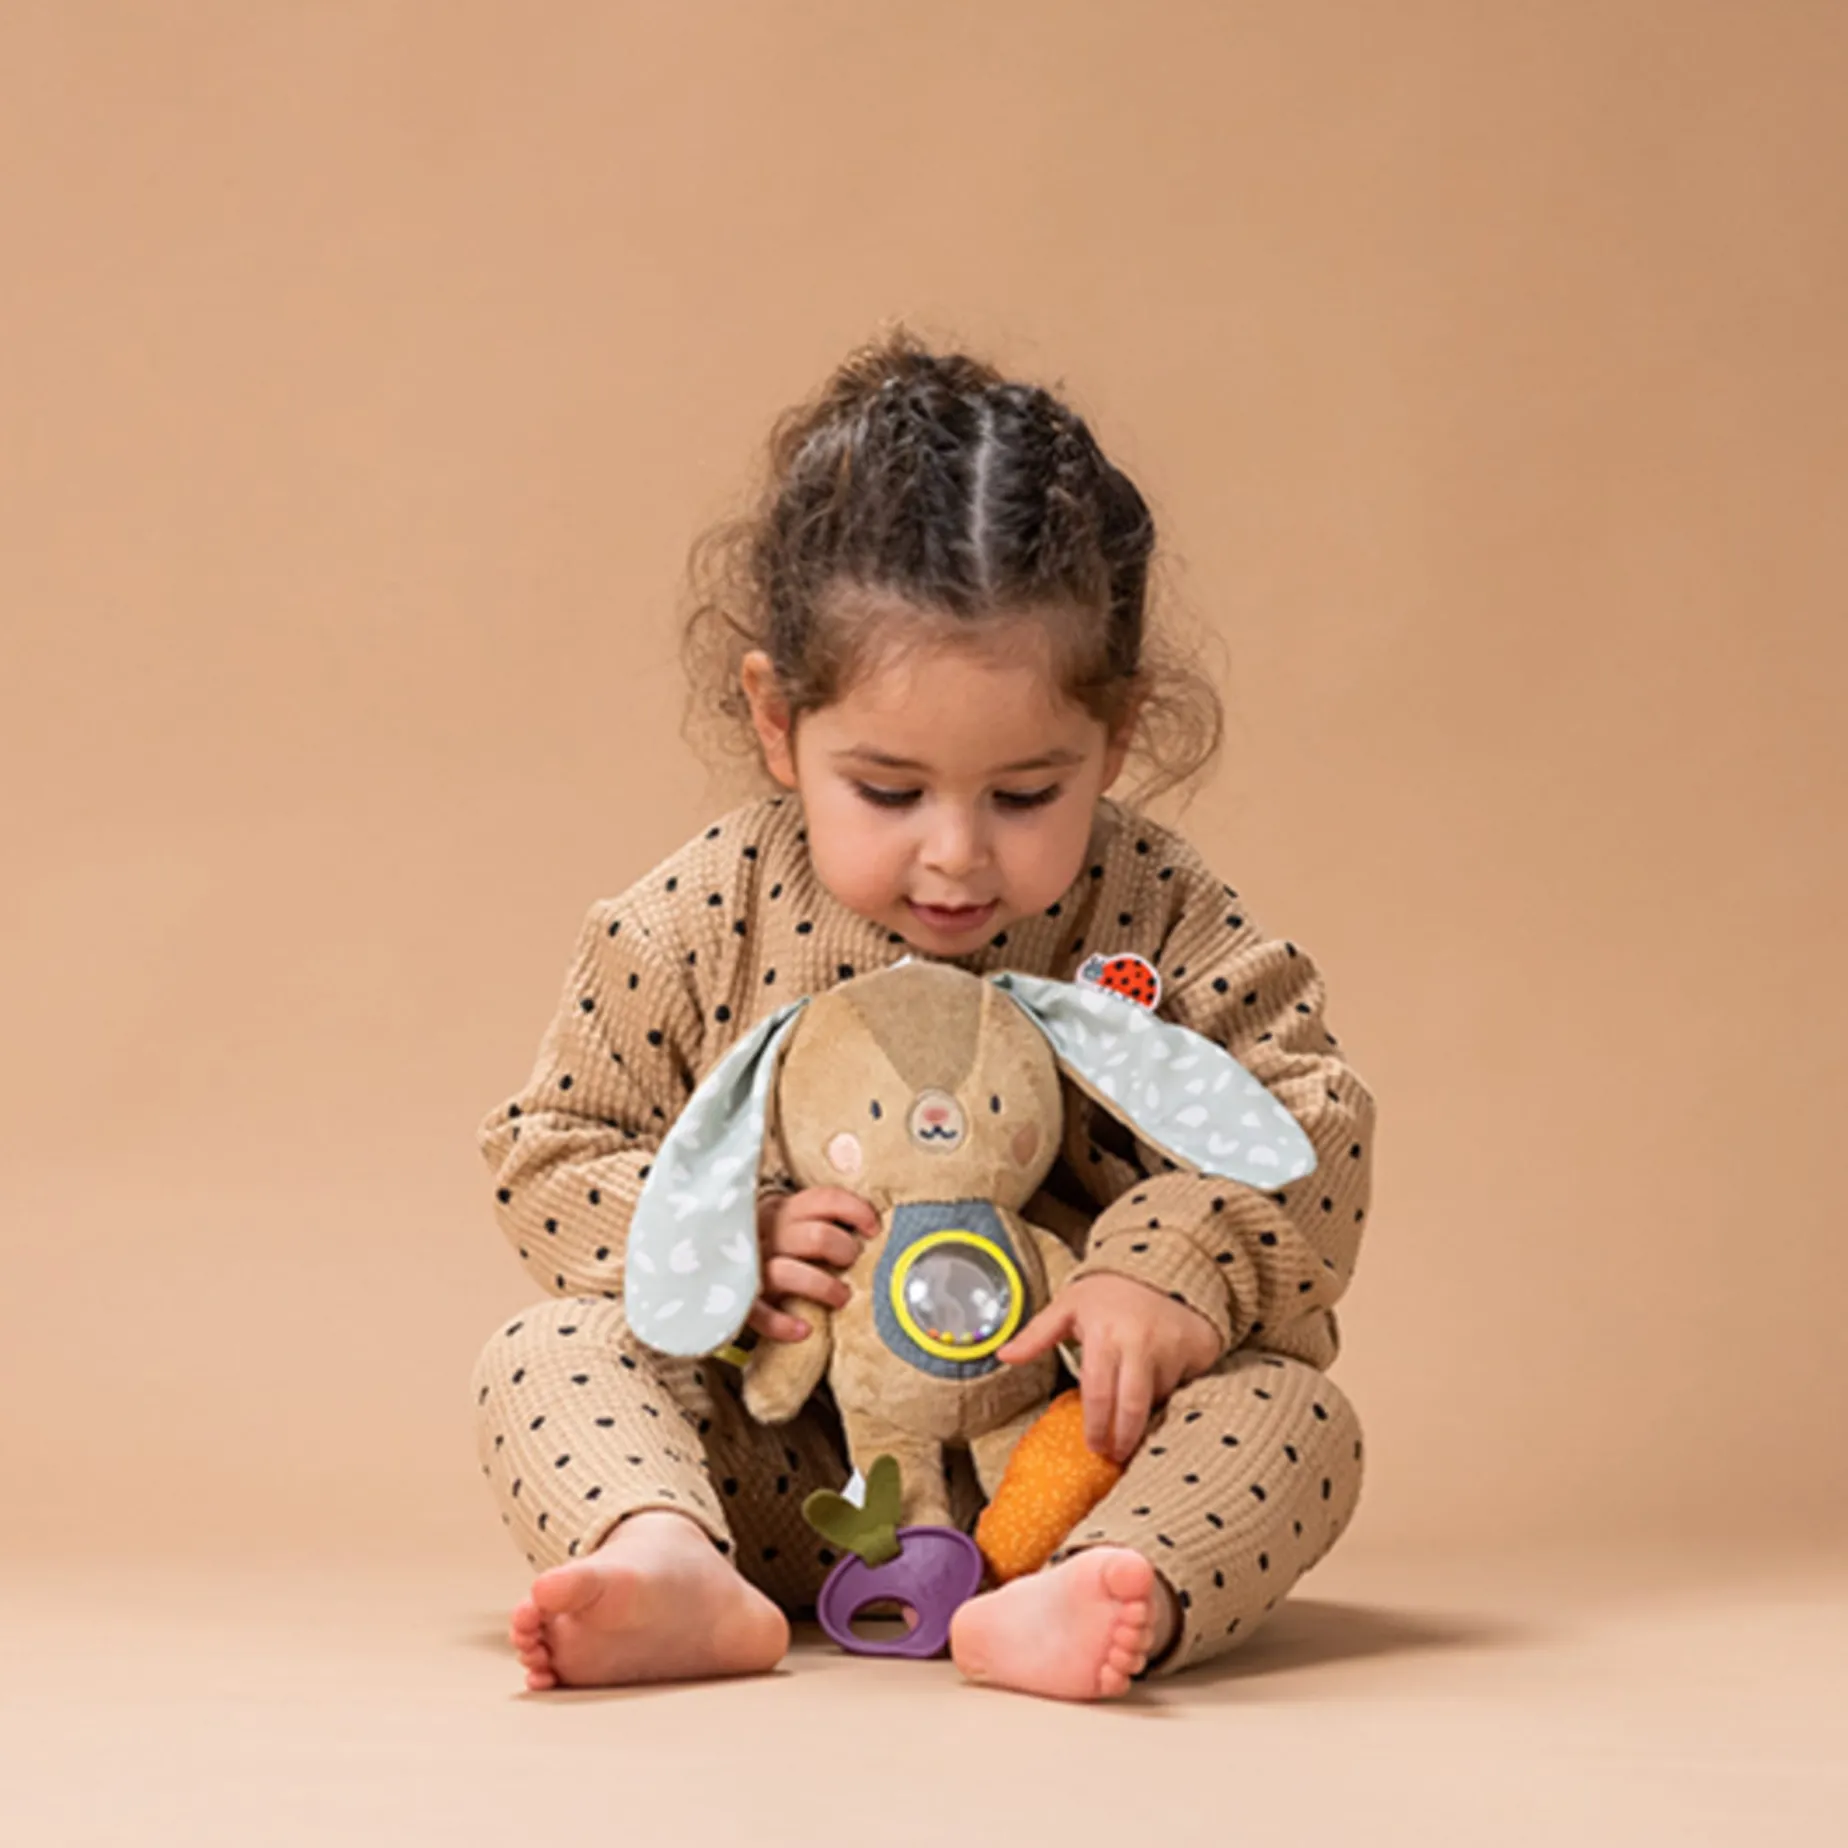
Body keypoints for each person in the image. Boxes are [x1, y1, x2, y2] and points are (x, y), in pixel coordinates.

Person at [470, 328, 1373, 1701]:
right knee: (542, 1356)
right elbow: (547, 1151)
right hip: (784, 1472)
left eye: (1026, 794)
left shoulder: (1157, 914)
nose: (956, 856)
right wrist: (732, 1237)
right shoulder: (695, 920)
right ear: (777, 722)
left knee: (1297, 1418)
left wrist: (1170, 1270)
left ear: (1118, 736)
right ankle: (669, 1560)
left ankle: (1098, 1590)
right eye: (888, 792)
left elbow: (1315, 1130)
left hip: (1061, 1467)